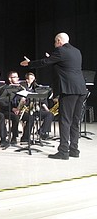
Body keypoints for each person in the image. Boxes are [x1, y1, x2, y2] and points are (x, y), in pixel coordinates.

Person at [20, 32, 87, 160]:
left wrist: (29, 64)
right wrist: (53, 58)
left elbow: (45, 62)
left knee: (65, 120)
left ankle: (63, 151)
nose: (55, 45)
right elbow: (64, 65)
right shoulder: (77, 51)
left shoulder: (61, 51)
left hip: (69, 90)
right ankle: (74, 149)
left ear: (58, 41)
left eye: (55, 42)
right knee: (75, 121)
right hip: (81, 89)